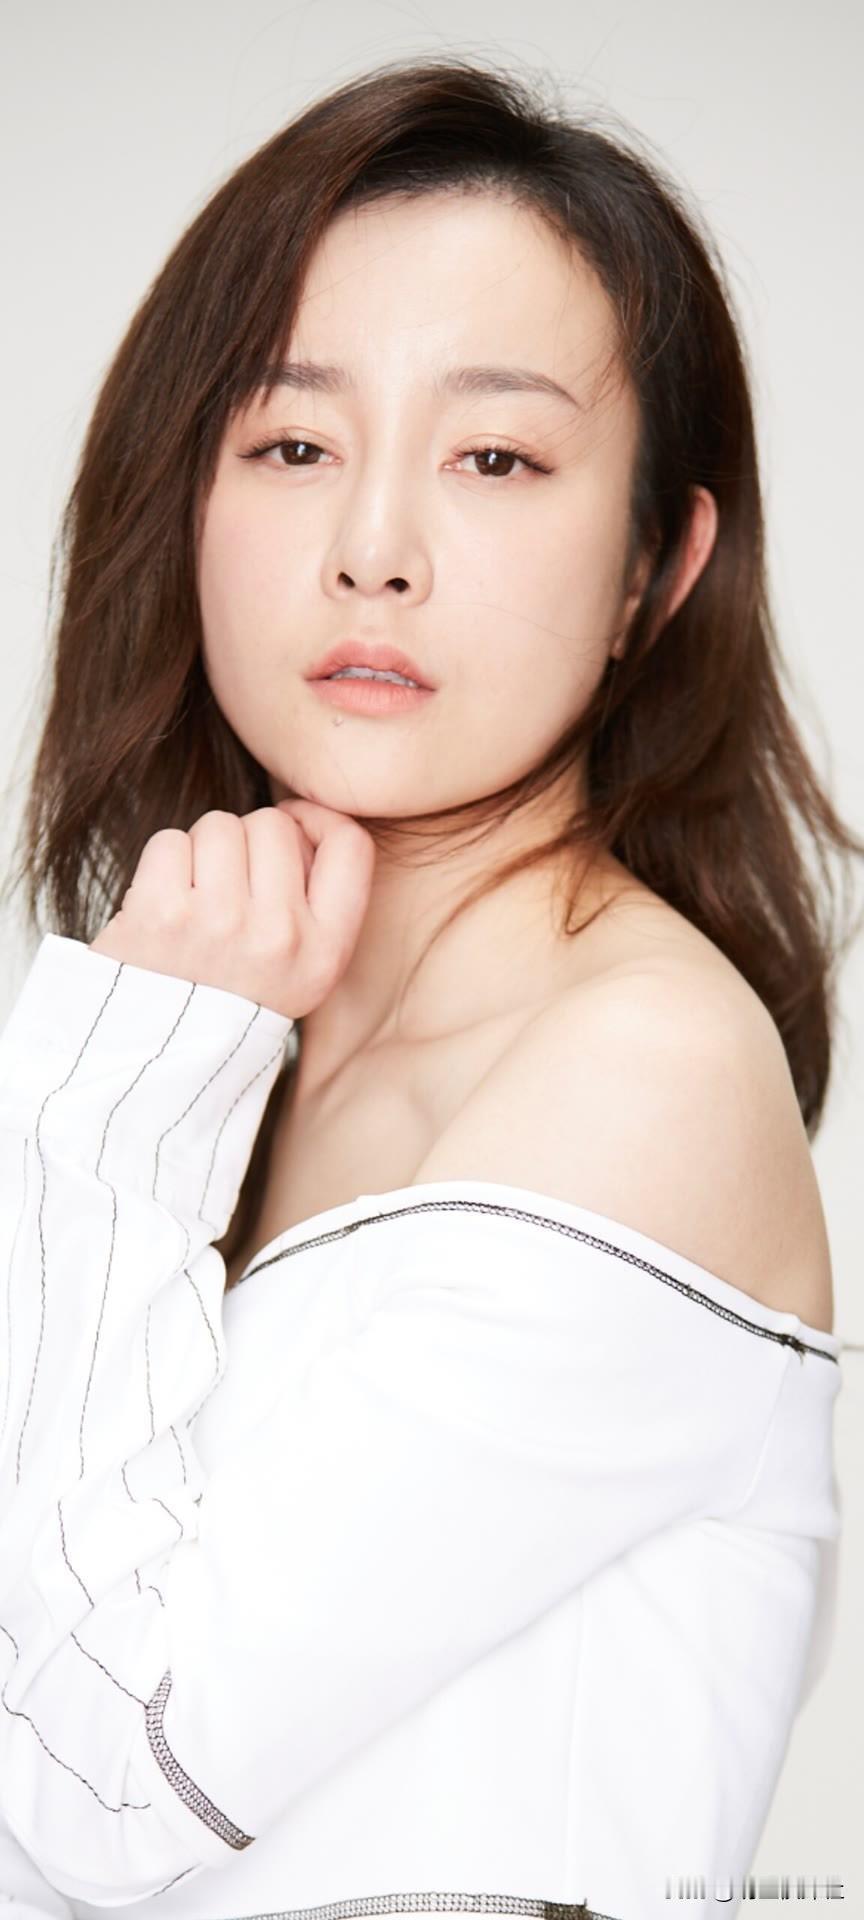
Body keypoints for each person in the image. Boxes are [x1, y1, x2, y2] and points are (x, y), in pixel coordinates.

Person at [0, 53, 860, 1920]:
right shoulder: (243, 1054)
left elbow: (99, 1788)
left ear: (655, 569)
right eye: (293, 444)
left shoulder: (638, 1068)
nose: (371, 550)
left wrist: (103, 1116)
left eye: (497, 460)